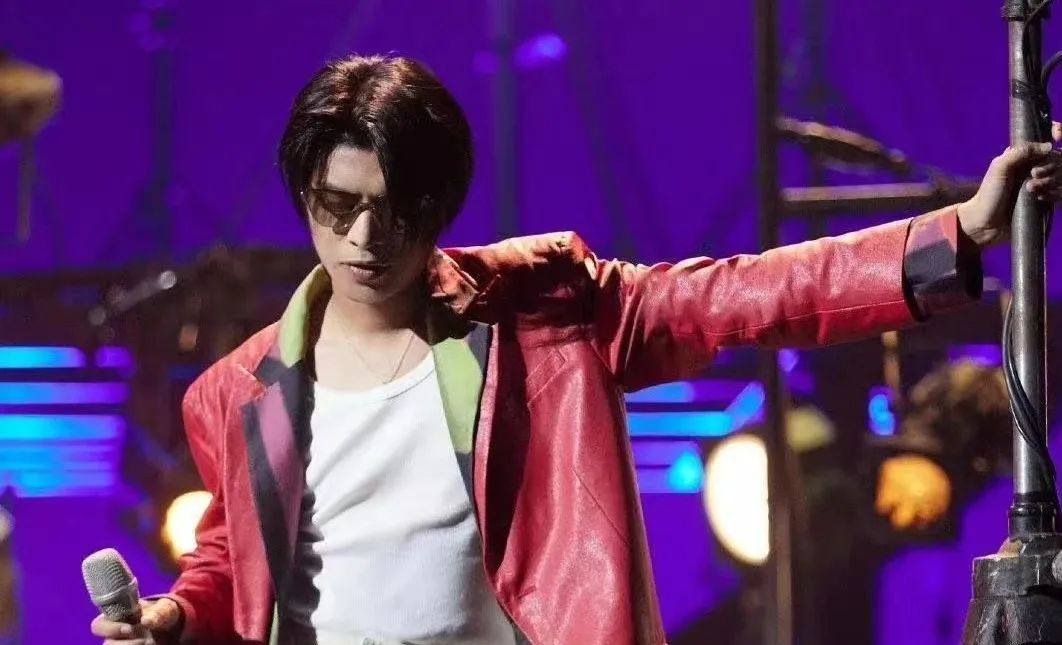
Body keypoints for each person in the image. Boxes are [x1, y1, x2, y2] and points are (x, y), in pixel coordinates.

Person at [91, 54, 1062, 644]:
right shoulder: (235, 393)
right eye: (338, 207)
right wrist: (177, 616)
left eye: (396, 210)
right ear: (305, 197)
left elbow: (746, 296)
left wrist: (957, 235)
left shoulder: (546, 308)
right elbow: (233, 568)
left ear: (440, 208)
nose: (364, 238)